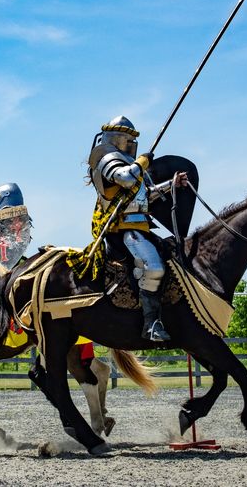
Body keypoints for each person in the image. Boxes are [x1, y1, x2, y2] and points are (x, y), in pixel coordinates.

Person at [87, 116, 187, 342]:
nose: (131, 142)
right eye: (128, 137)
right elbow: (125, 178)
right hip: (123, 230)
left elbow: (144, 197)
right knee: (154, 269)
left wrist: (172, 184)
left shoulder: (133, 167)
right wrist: (142, 162)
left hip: (141, 227)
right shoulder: (106, 160)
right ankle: (151, 325)